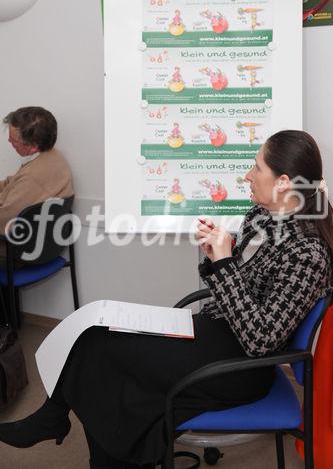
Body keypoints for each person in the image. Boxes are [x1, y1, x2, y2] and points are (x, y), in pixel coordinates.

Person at [0, 130, 331, 469]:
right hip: (215, 332)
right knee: (95, 336)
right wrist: (217, 254)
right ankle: (58, 419)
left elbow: (261, 341)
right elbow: (237, 291)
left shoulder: (307, 253)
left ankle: (61, 424)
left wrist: (225, 263)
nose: (247, 175)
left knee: (102, 356)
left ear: (283, 182)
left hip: (239, 367)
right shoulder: (261, 217)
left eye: (257, 168)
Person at [0, 106, 73, 239]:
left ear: (33, 146)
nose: (9, 141)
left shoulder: (32, 177)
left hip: (18, 245)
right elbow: (14, 182)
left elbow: (5, 219)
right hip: (43, 239)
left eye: (14, 140)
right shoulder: (52, 157)